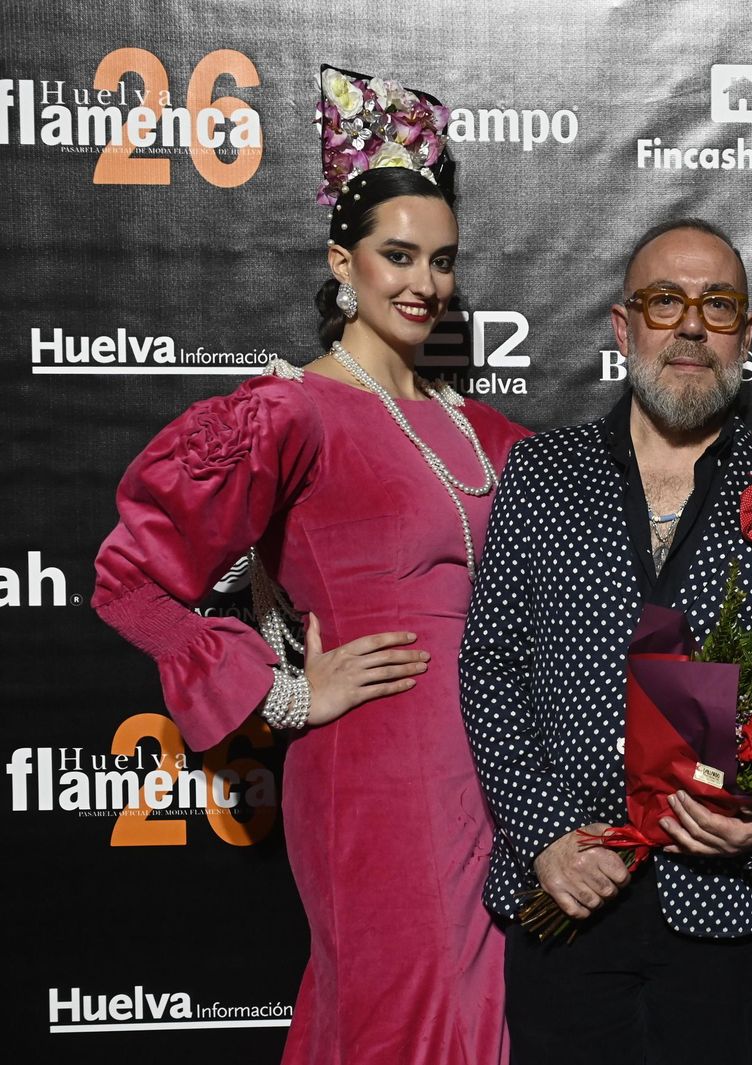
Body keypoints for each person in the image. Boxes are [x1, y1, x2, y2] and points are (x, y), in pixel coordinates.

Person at [92, 70, 528, 1063]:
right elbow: (130, 580)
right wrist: (286, 694)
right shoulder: (293, 412)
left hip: (487, 781)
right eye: (397, 256)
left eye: (442, 261)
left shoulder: (483, 430)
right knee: (403, 1024)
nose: (424, 284)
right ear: (343, 261)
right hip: (376, 777)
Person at [458, 218, 752, 1065]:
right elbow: (490, 665)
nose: (691, 326)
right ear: (623, 325)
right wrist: (547, 836)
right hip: (569, 889)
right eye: (665, 300)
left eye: (718, 305)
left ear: (747, 334)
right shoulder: (543, 473)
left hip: (725, 900)